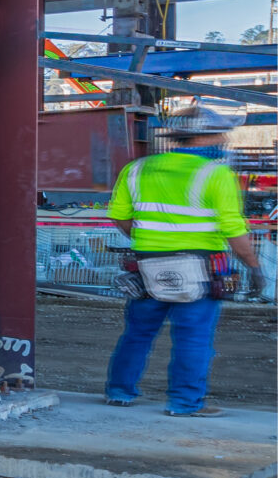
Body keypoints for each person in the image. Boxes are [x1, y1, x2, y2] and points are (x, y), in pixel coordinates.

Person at [105, 97, 260, 415]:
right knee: (193, 337)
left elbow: (120, 217)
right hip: (200, 270)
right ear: (202, 137)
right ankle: (185, 403)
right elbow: (233, 231)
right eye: (219, 135)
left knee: (137, 333)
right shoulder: (215, 175)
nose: (223, 141)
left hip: (147, 267)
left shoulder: (137, 170)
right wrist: (254, 266)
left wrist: (150, 239)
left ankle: (119, 392)